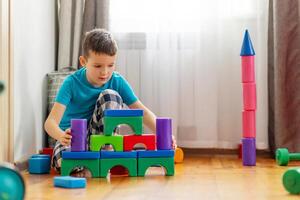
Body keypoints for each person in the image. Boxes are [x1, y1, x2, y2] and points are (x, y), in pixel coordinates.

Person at [44, 28, 176, 177]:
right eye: (98, 66)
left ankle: (105, 153)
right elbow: (50, 123)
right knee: (63, 161)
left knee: (110, 95)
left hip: (101, 137)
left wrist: (164, 134)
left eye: (110, 65)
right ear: (83, 62)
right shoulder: (71, 83)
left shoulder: (116, 81)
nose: (105, 72)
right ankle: (85, 163)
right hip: (74, 140)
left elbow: (141, 110)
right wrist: (61, 135)